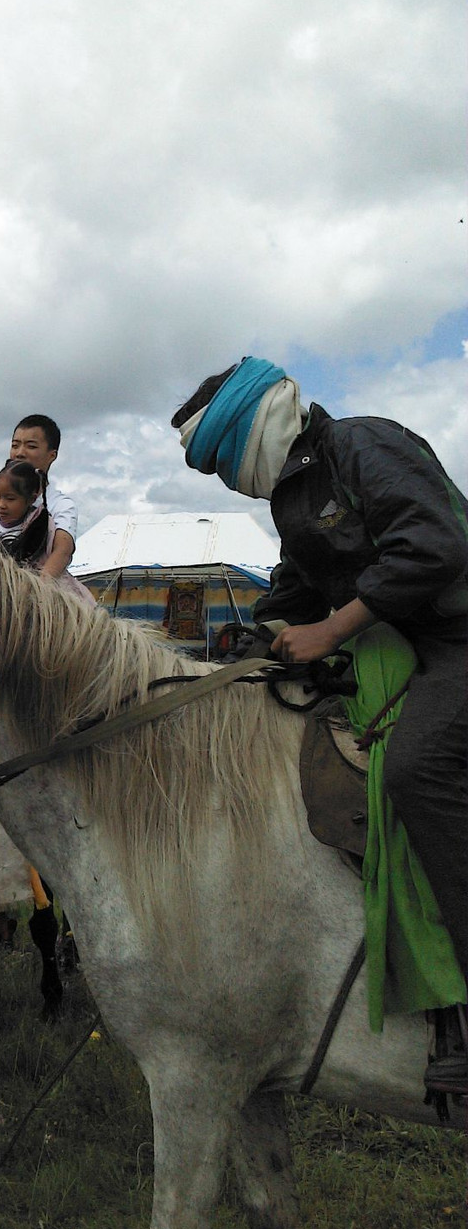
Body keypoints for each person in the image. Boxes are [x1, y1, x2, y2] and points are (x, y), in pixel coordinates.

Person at [171, 356, 468, 1087]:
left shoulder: (363, 445)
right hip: (399, 644)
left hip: (457, 639)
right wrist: (253, 639)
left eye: (219, 463)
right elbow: (296, 585)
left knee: (413, 768)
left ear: (251, 426)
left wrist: (332, 631)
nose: (224, 480)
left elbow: (435, 545)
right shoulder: (292, 495)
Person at [0, 414, 78, 580]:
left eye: (31, 446)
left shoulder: (61, 505)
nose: (19, 453)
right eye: (15, 445)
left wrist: (32, 593)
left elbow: (62, 552)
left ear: (52, 455)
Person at [0, 458, 96, 605]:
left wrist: (34, 590)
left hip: (39, 595)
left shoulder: (39, 526)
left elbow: (53, 558)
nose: (1, 505)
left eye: (10, 499)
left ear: (31, 499)